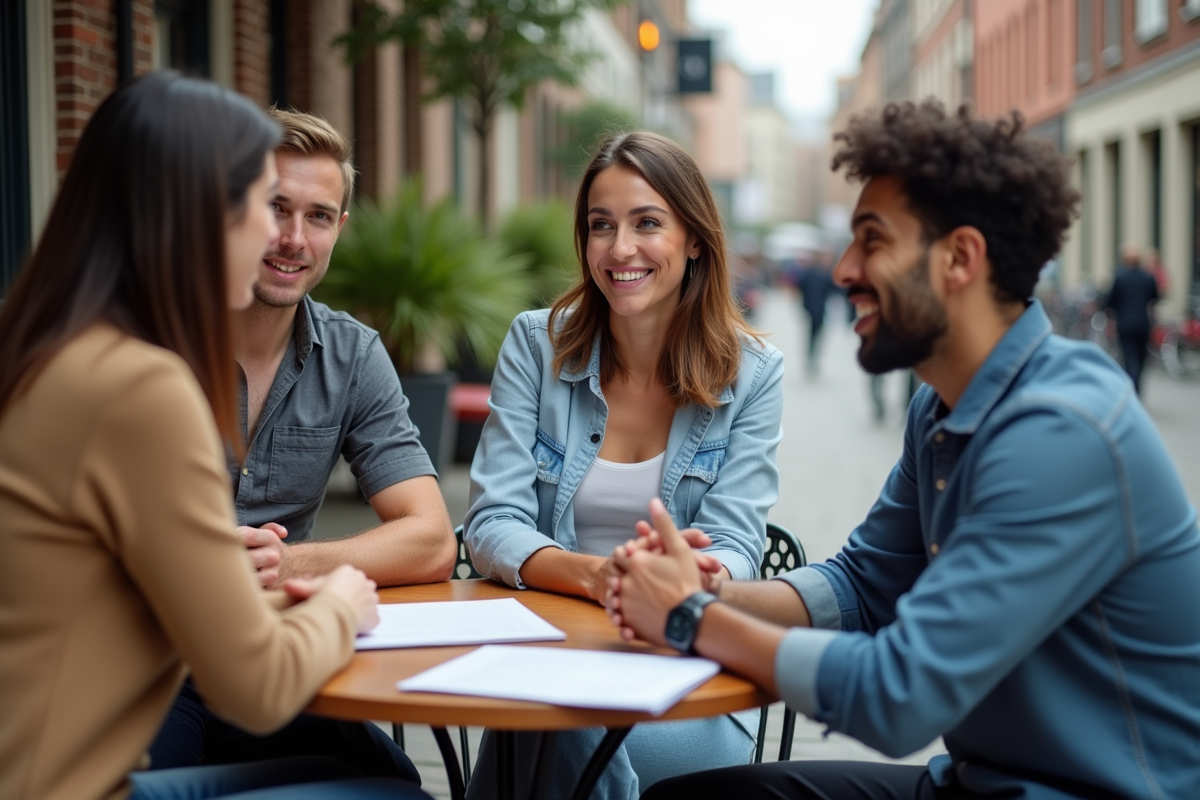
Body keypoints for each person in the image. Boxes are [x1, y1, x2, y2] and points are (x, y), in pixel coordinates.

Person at [609, 101, 1200, 800]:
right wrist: (712, 590)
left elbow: (898, 696)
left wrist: (690, 618)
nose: (844, 267)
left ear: (960, 258)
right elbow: (862, 584)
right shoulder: (941, 406)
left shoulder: (1063, 431)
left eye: (872, 240)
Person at [0, 72, 431, 800]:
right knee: (395, 795)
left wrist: (269, 572)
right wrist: (338, 601)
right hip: (91, 773)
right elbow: (256, 682)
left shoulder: (46, 344)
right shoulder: (142, 383)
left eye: (315, 216)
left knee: (375, 772)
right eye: (256, 206)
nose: (281, 238)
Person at [463, 130, 784, 799]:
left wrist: (685, 583)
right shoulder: (536, 344)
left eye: (647, 223)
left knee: (551, 720)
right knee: (555, 705)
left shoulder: (754, 374)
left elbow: (738, 547)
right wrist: (599, 579)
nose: (620, 249)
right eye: (600, 226)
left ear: (694, 238)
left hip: (688, 676)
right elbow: (492, 520)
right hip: (549, 656)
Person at [147, 107, 454, 778]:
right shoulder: (145, 339)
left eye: (317, 217)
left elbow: (431, 539)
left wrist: (284, 568)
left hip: (274, 657)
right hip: (146, 661)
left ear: (339, 230)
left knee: (396, 782)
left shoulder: (350, 356)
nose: (292, 238)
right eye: (274, 208)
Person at [1104, 241, 1160, 395]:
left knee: (1130, 358)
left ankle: (1133, 391)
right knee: (1141, 360)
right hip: (1143, 323)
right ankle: (1137, 390)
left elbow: (1110, 301)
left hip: (1125, 324)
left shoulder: (1120, 277)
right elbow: (1155, 297)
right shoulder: (1147, 277)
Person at [796, 256, 835, 375]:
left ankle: (812, 357)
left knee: (814, 336)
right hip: (815, 310)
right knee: (814, 336)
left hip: (815, 310)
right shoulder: (820, 275)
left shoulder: (814, 275)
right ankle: (812, 357)